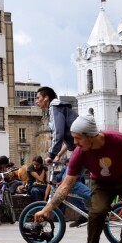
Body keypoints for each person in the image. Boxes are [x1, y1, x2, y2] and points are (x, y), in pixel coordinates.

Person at [34, 114, 122, 243]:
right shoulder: (79, 153)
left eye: (78, 138)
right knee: (97, 211)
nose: (75, 142)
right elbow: (66, 185)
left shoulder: (118, 139)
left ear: (90, 136)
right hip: (101, 183)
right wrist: (46, 210)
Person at [35, 85, 91, 225]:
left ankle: (99, 201)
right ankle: (85, 214)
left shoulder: (54, 107)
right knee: (70, 181)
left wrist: (51, 154)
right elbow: (68, 138)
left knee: (69, 183)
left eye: (38, 98)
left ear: (46, 98)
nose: (36, 101)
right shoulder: (60, 108)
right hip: (82, 148)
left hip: (83, 148)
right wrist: (58, 154)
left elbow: (58, 134)